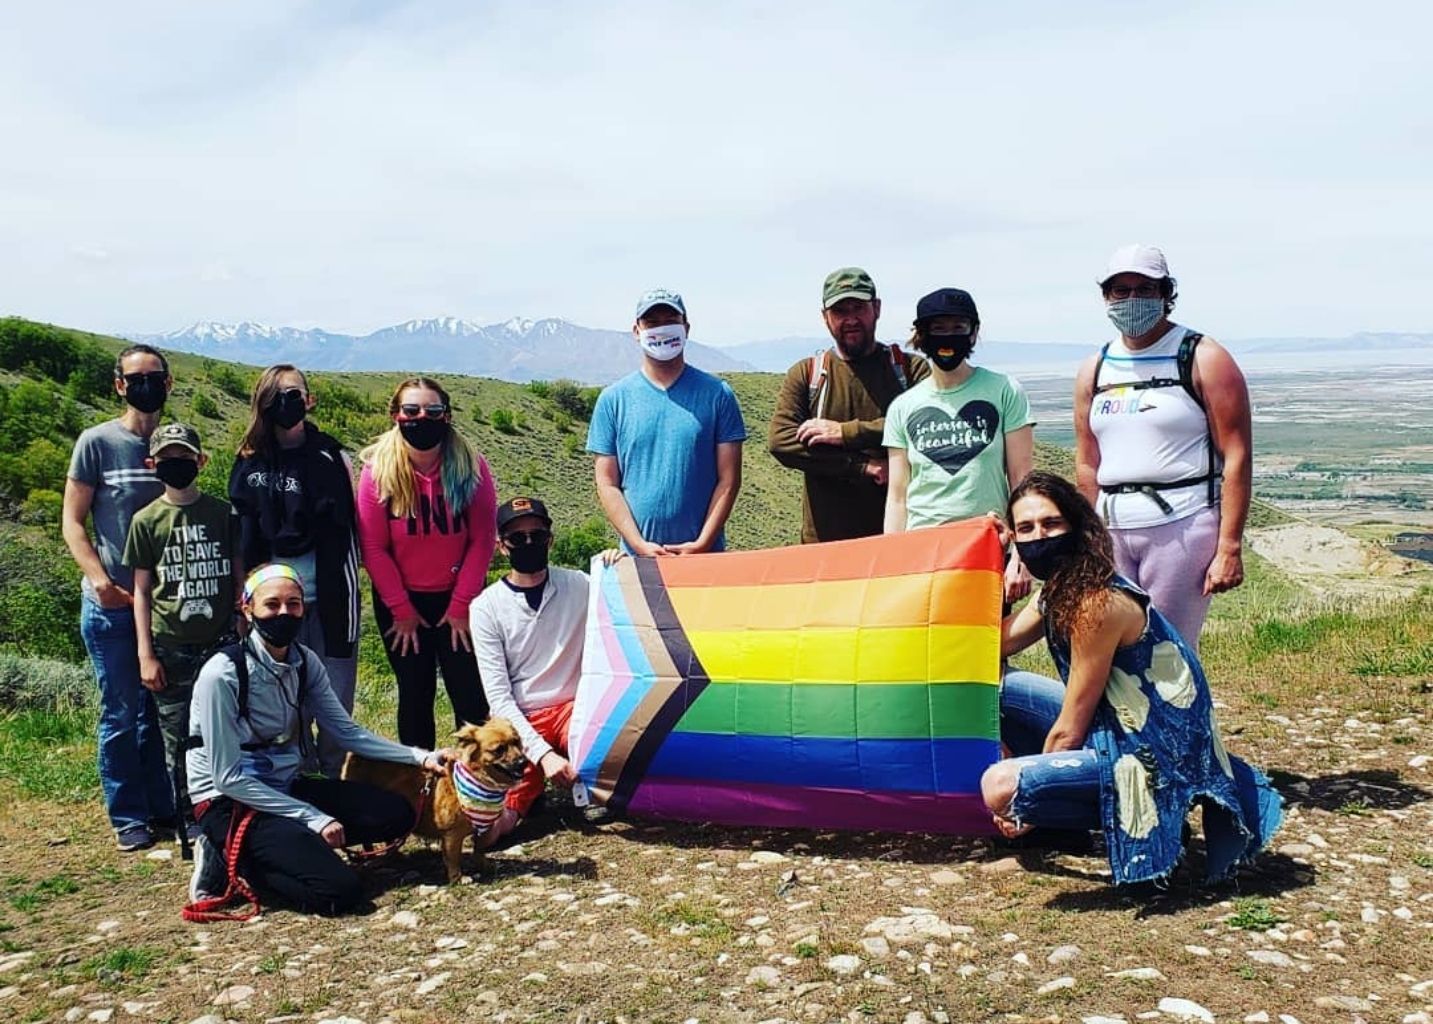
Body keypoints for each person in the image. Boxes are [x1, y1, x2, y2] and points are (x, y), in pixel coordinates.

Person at [979, 471, 1282, 886]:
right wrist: (987, 561)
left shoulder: (1096, 604)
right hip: (1115, 726)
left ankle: (1157, 813)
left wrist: (1029, 801)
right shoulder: (1060, 588)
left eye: (1051, 524)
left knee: (1000, 786)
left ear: (1078, 527)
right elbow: (997, 644)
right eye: (1026, 529)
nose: (1039, 538)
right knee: (1003, 688)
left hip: (1150, 749)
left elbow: (1070, 727)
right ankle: (1076, 809)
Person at [185, 564, 453, 916]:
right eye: (272, 604)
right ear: (247, 609)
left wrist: (420, 757)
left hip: (285, 785)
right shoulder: (222, 674)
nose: (284, 613)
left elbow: (347, 731)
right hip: (231, 801)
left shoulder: (305, 662)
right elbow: (227, 777)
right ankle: (235, 859)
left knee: (397, 814)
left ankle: (288, 848)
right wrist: (312, 817)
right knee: (339, 892)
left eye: (293, 604)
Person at [1074, 244, 1252, 648]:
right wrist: (1086, 539)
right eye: (1121, 290)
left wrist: (1229, 547)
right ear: (1106, 296)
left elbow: (1237, 455)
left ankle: (1185, 715)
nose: (1132, 299)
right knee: (1113, 652)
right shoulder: (1095, 368)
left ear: (1165, 293)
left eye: (1144, 288)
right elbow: (1088, 461)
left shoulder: (1203, 357)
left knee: (1169, 652)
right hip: (1112, 528)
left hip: (1182, 526)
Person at [62, 343, 175, 851]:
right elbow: (72, 521)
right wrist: (99, 580)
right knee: (120, 711)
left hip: (167, 606)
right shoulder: (97, 442)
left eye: (154, 377)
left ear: (168, 385)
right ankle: (127, 814)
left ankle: (161, 805)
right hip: (112, 606)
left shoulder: (175, 445)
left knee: (159, 710)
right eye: (135, 377)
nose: (145, 385)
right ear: (119, 385)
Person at [229, 365, 361, 776]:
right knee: (286, 705)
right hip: (275, 606)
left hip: (333, 600)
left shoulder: (331, 457)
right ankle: (298, 788)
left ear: (310, 399)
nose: (289, 402)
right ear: (264, 402)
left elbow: (358, 526)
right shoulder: (248, 463)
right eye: (279, 394)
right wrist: (242, 604)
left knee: (336, 705)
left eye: (296, 393)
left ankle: (336, 785)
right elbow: (241, 540)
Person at [357, 377, 497, 748]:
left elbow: (482, 539)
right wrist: (401, 610)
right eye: (412, 410)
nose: (422, 417)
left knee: (469, 696)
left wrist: (461, 605)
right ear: (395, 415)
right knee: (414, 695)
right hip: (401, 602)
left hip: (459, 599)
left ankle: (476, 786)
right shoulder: (377, 472)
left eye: (433, 411)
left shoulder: (471, 467)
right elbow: (373, 547)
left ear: (447, 416)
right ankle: (419, 787)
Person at [123, 423, 243, 840]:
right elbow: (141, 589)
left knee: (226, 726)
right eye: (168, 460)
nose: (178, 466)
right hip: (170, 643)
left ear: (201, 462)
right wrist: (145, 653)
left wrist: (242, 619)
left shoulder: (223, 512)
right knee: (178, 738)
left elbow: (238, 571)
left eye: (185, 458)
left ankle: (230, 806)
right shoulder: (146, 521)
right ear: (152, 465)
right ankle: (189, 818)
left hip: (221, 639)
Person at [883, 288, 1035, 603]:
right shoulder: (903, 407)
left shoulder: (1004, 390)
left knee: (986, 649)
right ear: (920, 335)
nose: (948, 338)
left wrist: (1022, 557)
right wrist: (891, 563)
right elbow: (898, 497)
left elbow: (1023, 481)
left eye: (958, 328)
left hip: (986, 547)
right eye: (937, 329)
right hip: (921, 553)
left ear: (974, 332)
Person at [468, 497, 602, 845]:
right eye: (518, 538)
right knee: (493, 831)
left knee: (603, 737)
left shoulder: (582, 585)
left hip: (576, 707)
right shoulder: (485, 608)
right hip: (521, 718)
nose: (529, 544)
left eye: (537, 535)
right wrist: (541, 755)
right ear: (501, 547)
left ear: (550, 540)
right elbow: (498, 696)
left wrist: (612, 562)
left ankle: (591, 790)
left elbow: (617, 591)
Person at [768, 267, 930, 543]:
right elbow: (781, 441)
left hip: (901, 541)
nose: (851, 319)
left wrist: (844, 433)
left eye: (859, 308)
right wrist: (865, 466)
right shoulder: (807, 374)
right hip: (825, 546)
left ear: (876, 308)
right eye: (840, 311)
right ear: (825, 318)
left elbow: (923, 424)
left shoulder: (911, 370)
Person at [587, 289, 746, 556]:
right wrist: (638, 544)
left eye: (670, 320)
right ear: (636, 331)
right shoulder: (612, 400)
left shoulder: (718, 394)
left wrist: (702, 544)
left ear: (686, 327)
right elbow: (607, 482)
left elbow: (729, 480)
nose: (662, 329)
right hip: (637, 561)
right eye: (652, 322)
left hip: (705, 560)